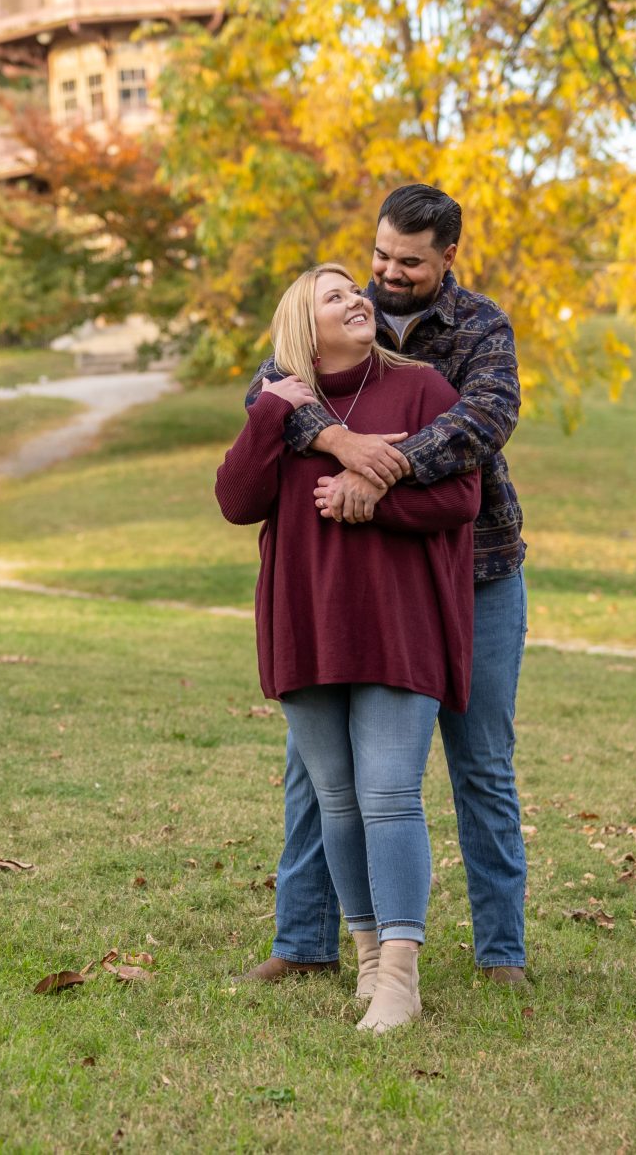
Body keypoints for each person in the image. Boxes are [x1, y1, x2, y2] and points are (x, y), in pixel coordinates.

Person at [236, 183, 532, 989]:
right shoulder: (337, 310)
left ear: (448, 257)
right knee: (318, 773)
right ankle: (304, 939)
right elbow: (270, 391)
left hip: (479, 570)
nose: (387, 273)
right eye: (380, 254)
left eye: (409, 262)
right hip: (369, 585)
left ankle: (501, 952)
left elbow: (483, 422)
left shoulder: (480, 327)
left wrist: (381, 472)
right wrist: (341, 440)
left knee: (481, 761)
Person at [215, 263, 480, 1032]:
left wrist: (376, 498)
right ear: (305, 324)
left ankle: (400, 974)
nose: (358, 298)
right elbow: (236, 499)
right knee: (336, 800)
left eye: (353, 291)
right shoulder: (281, 403)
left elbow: (463, 495)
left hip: (398, 622)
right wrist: (272, 412)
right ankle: (367, 958)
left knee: (390, 793)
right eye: (335, 296)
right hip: (307, 623)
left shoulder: (420, 388)